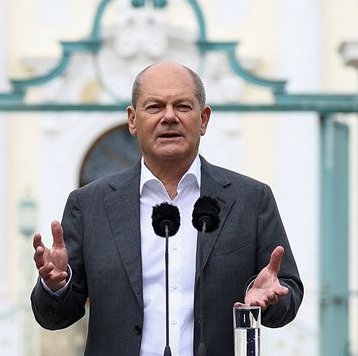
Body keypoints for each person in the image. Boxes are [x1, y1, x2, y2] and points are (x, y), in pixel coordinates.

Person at [31, 62, 303, 356]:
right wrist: (56, 285)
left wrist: (271, 298)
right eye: (154, 107)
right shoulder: (90, 204)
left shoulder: (250, 199)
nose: (169, 117)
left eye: (183, 106)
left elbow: (287, 290)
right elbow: (55, 316)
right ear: (133, 120)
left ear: (204, 119)